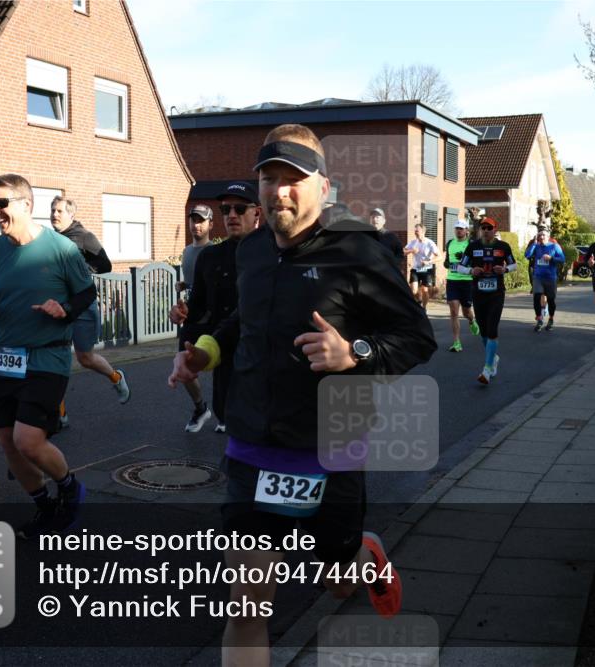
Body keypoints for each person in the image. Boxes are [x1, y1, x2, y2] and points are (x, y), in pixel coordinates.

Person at [168, 124, 436, 666]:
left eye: (292, 178)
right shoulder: (251, 252)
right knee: (247, 605)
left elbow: (416, 337)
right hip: (252, 445)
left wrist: (353, 353)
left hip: (330, 445)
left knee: (336, 581)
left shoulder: (359, 250)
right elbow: (243, 321)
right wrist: (204, 352)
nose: (278, 190)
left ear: (323, 187)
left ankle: (363, 554)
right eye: (268, 177)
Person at [0, 173, 94, 538]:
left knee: (27, 439)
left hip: (46, 358)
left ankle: (68, 487)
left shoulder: (61, 249)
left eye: (1, 203)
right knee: (7, 442)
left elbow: (87, 293)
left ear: (26, 204)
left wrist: (64, 309)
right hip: (4, 357)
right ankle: (45, 507)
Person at [181, 182, 261, 434]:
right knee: (228, 418)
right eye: (226, 210)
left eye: (239, 208)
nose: (232, 215)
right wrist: (186, 346)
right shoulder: (210, 257)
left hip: (263, 359)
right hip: (225, 354)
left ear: (257, 212)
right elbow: (196, 310)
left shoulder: (273, 252)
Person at [50, 197, 130, 431]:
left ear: (71, 215)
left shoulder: (84, 236)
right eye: (52, 210)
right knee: (57, 359)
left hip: (83, 306)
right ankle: (59, 413)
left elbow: (105, 264)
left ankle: (117, 378)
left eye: (60, 211)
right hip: (59, 307)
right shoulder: (50, 239)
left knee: (86, 358)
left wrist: (81, 270)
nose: (55, 214)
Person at [171, 204, 215, 432]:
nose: (196, 225)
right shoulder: (187, 251)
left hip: (211, 318)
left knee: (223, 368)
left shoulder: (213, 253)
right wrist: (184, 285)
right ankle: (201, 408)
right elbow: (193, 284)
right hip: (190, 319)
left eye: (201, 220)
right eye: (193, 220)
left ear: (210, 224)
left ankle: (226, 414)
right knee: (184, 368)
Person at [457, 217, 515, 384]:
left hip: (497, 293)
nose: (487, 230)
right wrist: (470, 271)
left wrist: (504, 269)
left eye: (490, 227)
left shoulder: (503, 247)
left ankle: (487, 369)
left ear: (495, 229)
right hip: (478, 292)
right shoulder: (473, 246)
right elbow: (460, 267)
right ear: (481, 230)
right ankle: (494, 358)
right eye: (484, 227)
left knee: (492, 329)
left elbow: (514, 265)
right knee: (483, 332)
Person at [442, 219, 479, 352]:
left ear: (466, 231)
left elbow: (476, 261)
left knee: (466, 311)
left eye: (461, 228)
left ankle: (471, 321)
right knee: (453, 311)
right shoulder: (450, 243)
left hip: (467, 281)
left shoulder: (471, 244)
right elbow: (446, 262)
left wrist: (464, 259)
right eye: (457, 228)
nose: (458, 230)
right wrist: (449, 265)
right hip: (452, 280)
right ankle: (457, 342)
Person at [524, 227, 565, 332]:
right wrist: (533, 243)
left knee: (551, 300)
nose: (541, 237)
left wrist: (551, 258)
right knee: (536, 297)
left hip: (550, 278)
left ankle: (551, 319)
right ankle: (539, 319)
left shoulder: (554, 246)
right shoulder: (536, 247)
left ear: (548, 237)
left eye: (543, 235)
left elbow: (562, 259)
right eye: (540, 235)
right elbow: (527, 255)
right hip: (538, 277)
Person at [403, 223, 439, 310]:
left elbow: (439, 256)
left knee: (424, 290)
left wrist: (429, 261)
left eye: (417, 231)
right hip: (415, 269)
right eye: (415, 231)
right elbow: (403, 252)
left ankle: (424, 307)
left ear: (423, 232)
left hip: (427, 270)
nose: (415, 232)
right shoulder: (413, 242)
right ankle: (419, 301)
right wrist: (411, 250)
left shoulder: (430, 243)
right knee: (414, 291)